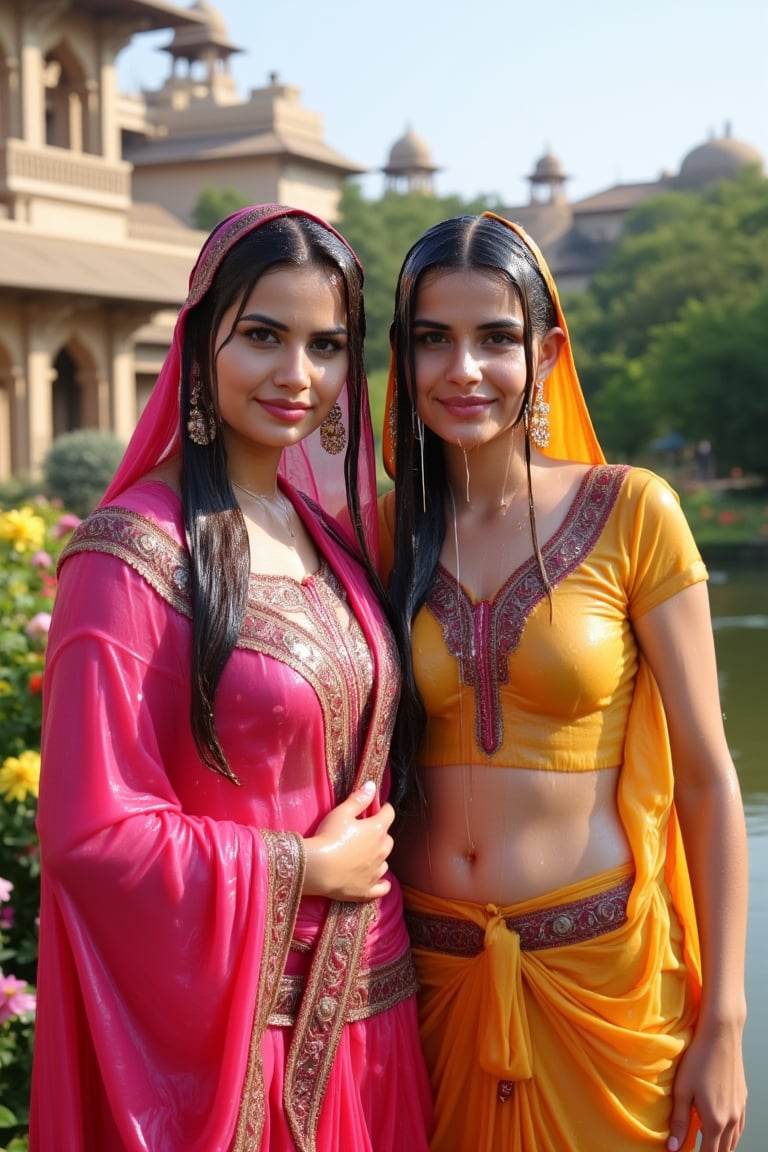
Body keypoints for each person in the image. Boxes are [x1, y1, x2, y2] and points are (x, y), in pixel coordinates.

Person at [30, 204, 433, 1152]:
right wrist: (301, 869)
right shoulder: (130, 557)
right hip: (241, 1042)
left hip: (375, 1025)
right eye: (263, 336)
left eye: (326, 344)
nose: (298, 376)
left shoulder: (329, 536)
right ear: (201, 343)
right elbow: (89, 832)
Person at [378, 212, 748, 1152]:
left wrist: (726, 1023)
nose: (464, 369)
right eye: (434, 339)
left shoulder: (630, 512)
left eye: (496, 338)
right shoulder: (381, 535)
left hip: (604, 988)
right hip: (424, 988)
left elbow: (708, 781)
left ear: (545, 353)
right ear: (402, 357)